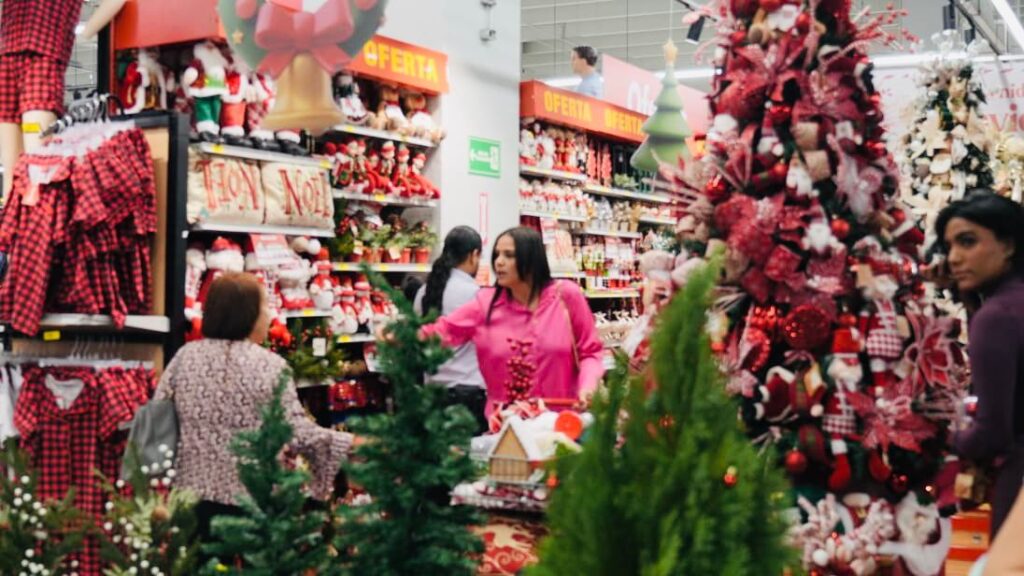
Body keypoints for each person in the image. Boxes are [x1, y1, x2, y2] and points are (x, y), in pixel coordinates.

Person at [153, 272, 355, 541]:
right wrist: (351, 442)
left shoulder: (184, 357)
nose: (269, 315)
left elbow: (157, 422)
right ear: (246, 314)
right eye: (264, 307)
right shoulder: (270, 366)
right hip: (250, 502)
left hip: (190, 499)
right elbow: (297, 433)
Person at [419, 226, 605, 415]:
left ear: (532, 260)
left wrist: (588, 386)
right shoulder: (485, 304)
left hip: (562, 427)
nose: (499, 262)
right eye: (497, 255)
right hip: (507, 428)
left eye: (509, 255)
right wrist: (400, 335)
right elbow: (443, 331)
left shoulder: (566, 296)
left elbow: (590, 352)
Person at [934, 190, 1024, 538]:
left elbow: (993, 433)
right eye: (950, 247)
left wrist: (945, 438)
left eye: (968, 242)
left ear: (1008, 245)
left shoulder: (997, 316)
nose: (954, 258)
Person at [413, 226, 487, 432]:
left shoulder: (423, 292)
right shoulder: (473, 294)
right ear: (474, 255)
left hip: (432, 394)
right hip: (467, 396)